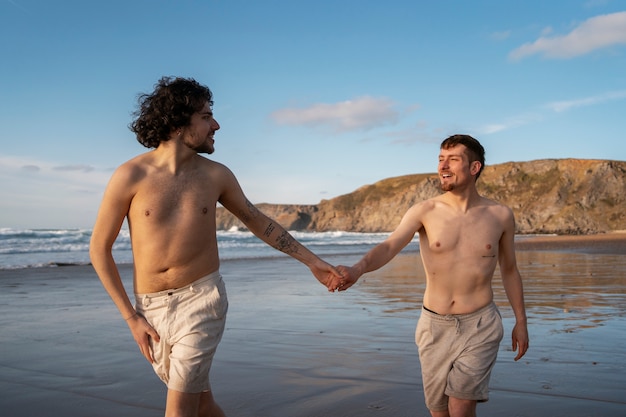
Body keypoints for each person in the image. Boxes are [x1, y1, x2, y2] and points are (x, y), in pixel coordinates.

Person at [89, 76, 343, 417]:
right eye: (207, 116)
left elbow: (258, 221)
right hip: (150, 310)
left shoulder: (216, 175)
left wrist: (311, 261)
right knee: (203, 404)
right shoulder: (130, 176)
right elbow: (98, 249)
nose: (216, 125)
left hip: (201, 300)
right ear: (179, 122)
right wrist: (131, 317)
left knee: (179, 409)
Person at [336, 134, 529, 417]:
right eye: (440, 159)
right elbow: (390, 246)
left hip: (480, 324)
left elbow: (510, 269)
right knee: (439, 411)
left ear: (474, 168)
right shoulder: (425, 211)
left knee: (460, 406)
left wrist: (521, 321)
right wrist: (358, 269)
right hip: (434, 326)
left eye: (452, 159)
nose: (443, 166)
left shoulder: (500, 215)